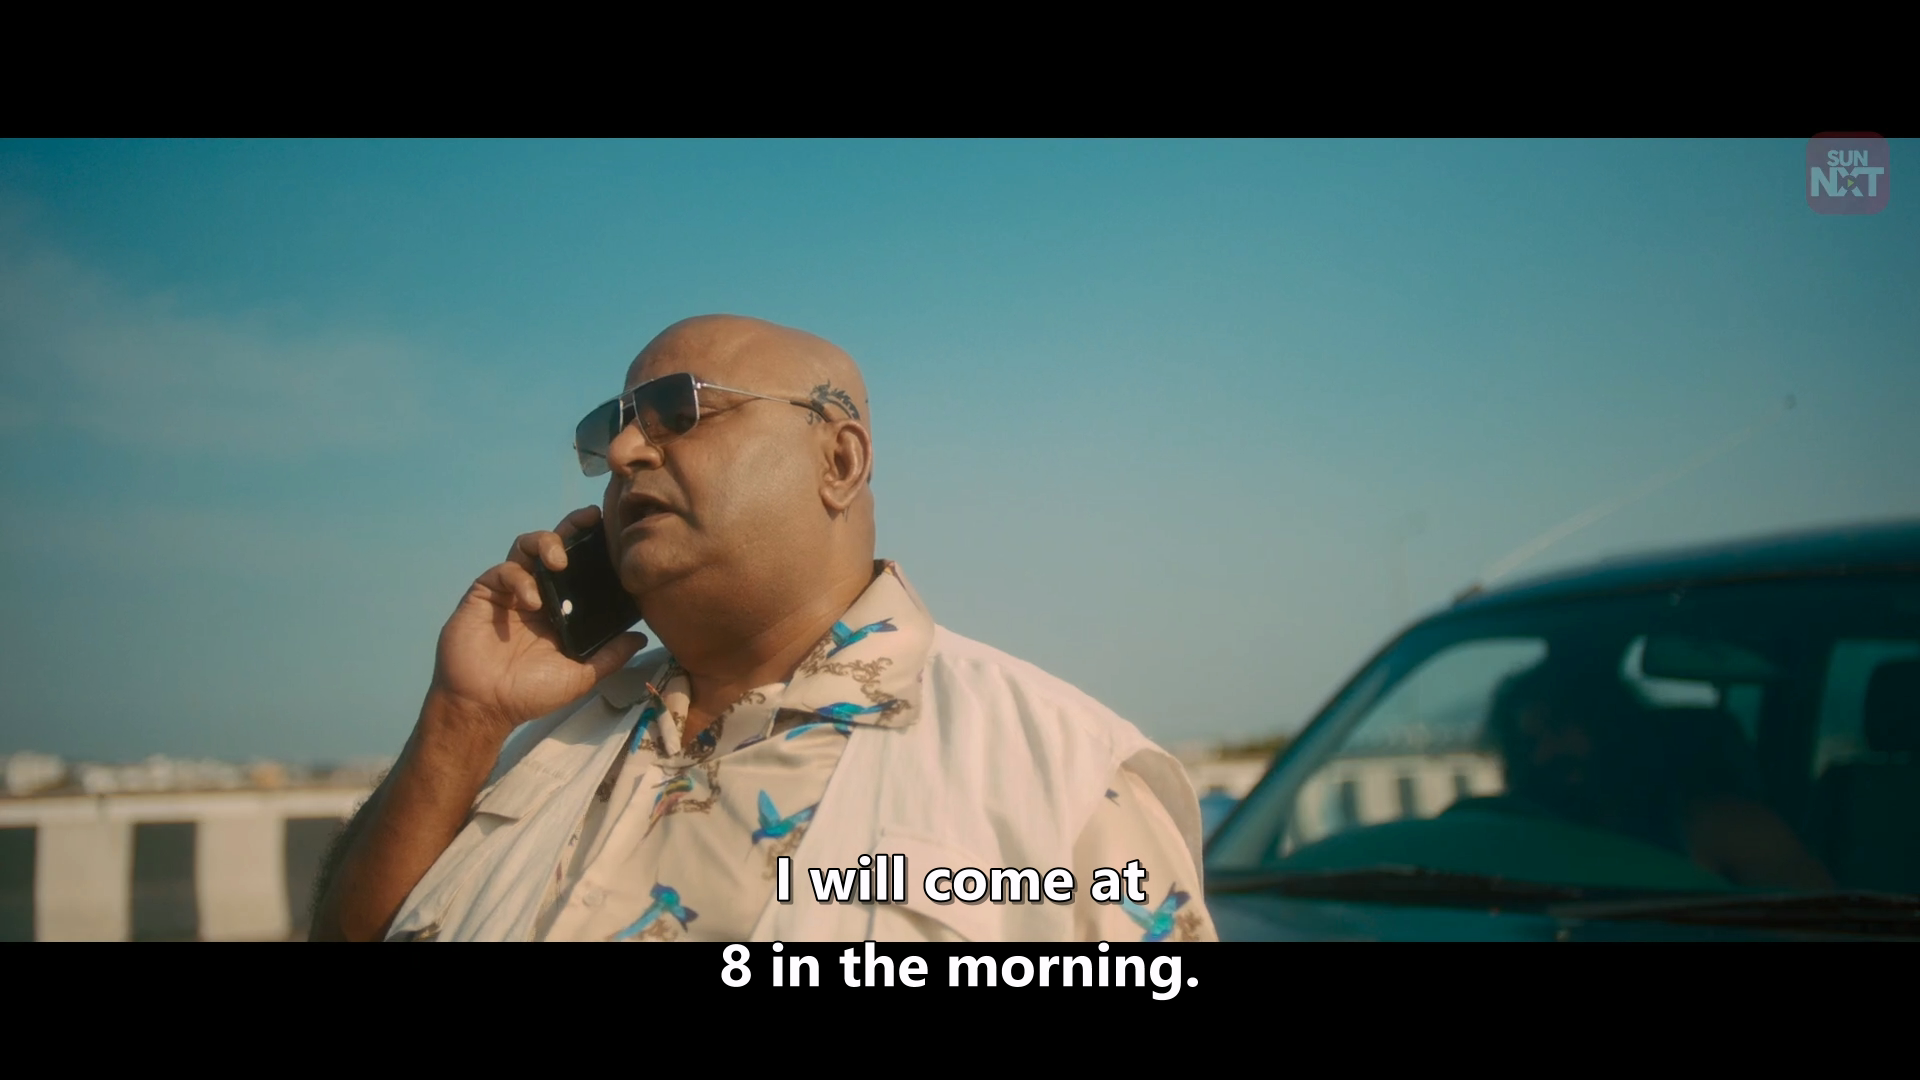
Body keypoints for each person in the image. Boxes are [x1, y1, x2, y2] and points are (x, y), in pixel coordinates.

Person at [309, 315, 1216, 943]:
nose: (623, 453)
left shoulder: (1056, 775)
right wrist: (462, 716)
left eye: (679, 411)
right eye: (608, 430)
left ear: (839, 461)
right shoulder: (534, 748)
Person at [1486, 660, 1833, 890]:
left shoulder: (1724, 827)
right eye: (1529, 743)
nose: (1543, 755)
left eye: (1558, 729)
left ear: (1609, 726)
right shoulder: (1525, 842)